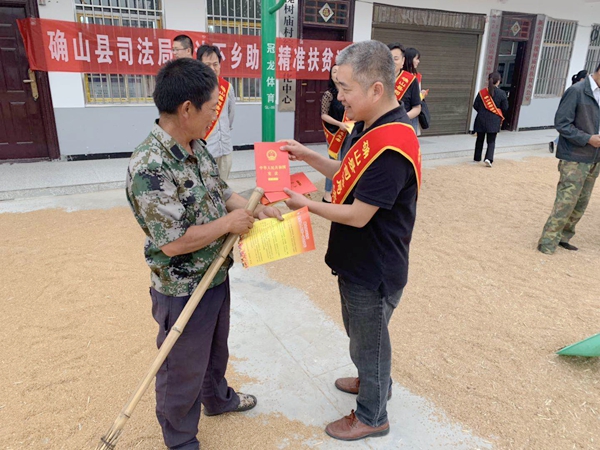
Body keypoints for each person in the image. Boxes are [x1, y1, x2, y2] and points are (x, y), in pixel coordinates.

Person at [125, 58, 282, 450]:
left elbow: (222, 191)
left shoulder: (196, 146)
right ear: (186, 109)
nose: (216, 113)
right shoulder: (150, 166)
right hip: (181, 287)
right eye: (212, 107)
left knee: (215, 349)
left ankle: (217, 399)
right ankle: (180, 440)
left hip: (215, 273)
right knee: (181, 367)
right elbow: (174, 242)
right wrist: (229, 226)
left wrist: (252, 208)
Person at [280, 40, 421, 442]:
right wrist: (307, 155)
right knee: (362, 337)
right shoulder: (370, 124)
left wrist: (304, 204)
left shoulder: (395, 143)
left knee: (370, 341)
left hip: (374, 266)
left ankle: (372, 415)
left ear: (376, 89)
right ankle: (373, 379)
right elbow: (347, 171)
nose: (338, 97)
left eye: (344, 89)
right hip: (356, 259)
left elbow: (359, 214)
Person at [537, 63, 600, 255]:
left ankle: (564, 236)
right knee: (566, 201)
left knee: (581, 202)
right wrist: (587, 138)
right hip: (575, 157)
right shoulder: (577, 91)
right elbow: (562, 123)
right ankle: (547, 242)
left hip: (594, 159)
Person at [196, 45, 236, 181]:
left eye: (215, 64)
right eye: (208, 65)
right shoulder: (195, 90)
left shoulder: (227, 87)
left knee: (224, 188)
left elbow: (230, 116)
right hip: (205, 149)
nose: (213, 69)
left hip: (224, 147)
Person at [321, 65, 350, 203]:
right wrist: (339, 124)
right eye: (334, 71)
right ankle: (328, 193)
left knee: (345, 160)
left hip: (348, 130)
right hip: (334, 133)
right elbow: (323, 115)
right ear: (331, 75)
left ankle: (342, 190)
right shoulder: (329, 94)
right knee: (332, 161)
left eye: (339, 71)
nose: (337, 74)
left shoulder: (348, 92)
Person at [472, 72, 509, 167]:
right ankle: (488, 159)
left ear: (489, 80)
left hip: (480, 119)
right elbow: (505, 108)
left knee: (479, 139)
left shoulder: (482, 93)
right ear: (499, 82)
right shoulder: (502, 93)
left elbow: (475, 105)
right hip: (494, 121)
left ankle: (477, 158)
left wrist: (482, 111)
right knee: (491, 141)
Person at [549, 70, 588, 153]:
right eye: (587, 78)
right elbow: (562, 122)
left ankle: (554, 142)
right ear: (581, 79)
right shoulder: (575, 90)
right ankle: (555, 142)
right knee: (567, 131)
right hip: (572, 119)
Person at [402, 47, 426, 133]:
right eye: (416, 59)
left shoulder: (417, 76)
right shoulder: (400, 76)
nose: (418, 61)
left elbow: (416, 98)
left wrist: (421, 95)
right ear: (409, 59)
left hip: (412, 114)